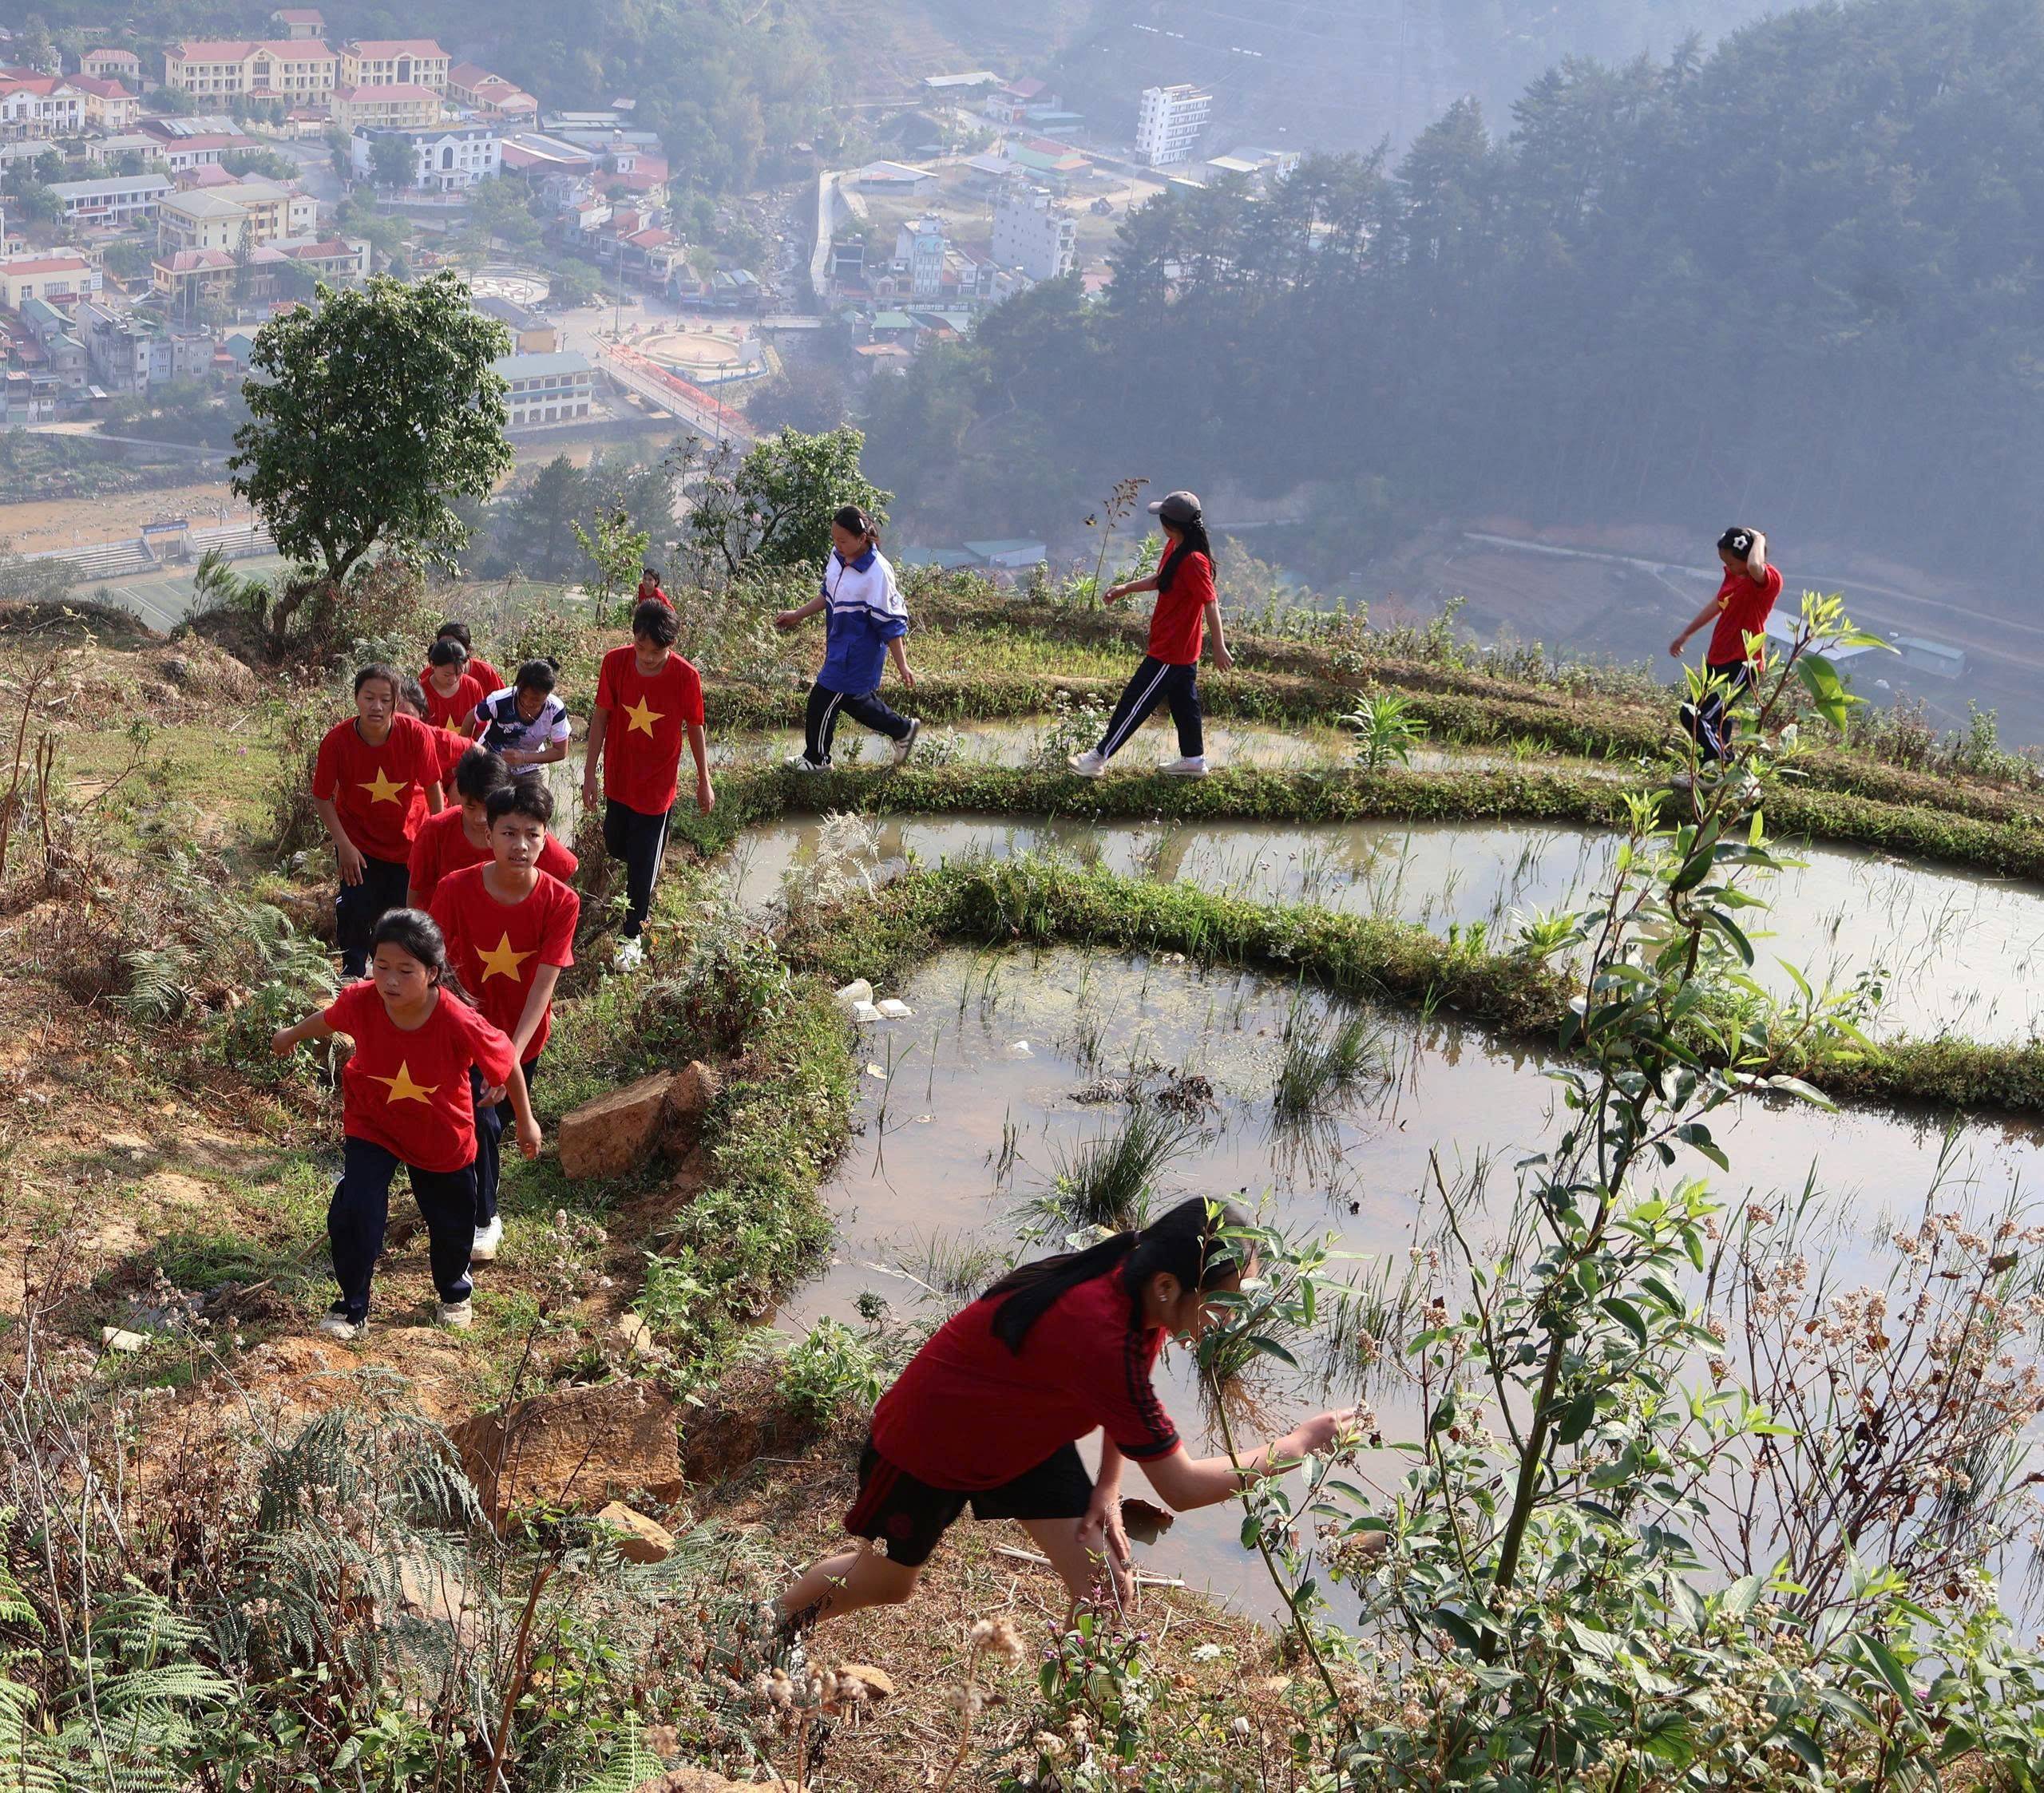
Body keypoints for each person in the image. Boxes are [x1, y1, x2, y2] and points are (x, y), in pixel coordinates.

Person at [775, 1197, 1355, 1635]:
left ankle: (1070, 1748)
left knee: (1105, 1595)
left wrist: (1107, 1485)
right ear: (1167, 1286)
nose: (1228, 1319)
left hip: (1022, 1431)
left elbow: (1122, 1398)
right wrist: (1302, 1442)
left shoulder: (1140, 1287)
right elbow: (1181, 1486)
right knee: (891, 1581)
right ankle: (770, 1630)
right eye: (1222, 1302)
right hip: (932, 1441)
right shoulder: (1101, 1332)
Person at [270, 908, 538, 1339]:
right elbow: (330, 1019)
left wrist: (526, 1122)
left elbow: (506, 1061)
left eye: (405, 970)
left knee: (451, 1221)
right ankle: (352, 1307)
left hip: (440, 1135)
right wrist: (290, 1035)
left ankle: (454, 1292)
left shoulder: (456, 1019)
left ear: (433, 973)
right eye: (382, 967)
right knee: (355, 1206)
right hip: (373, 1123)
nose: (390, 980)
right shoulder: (363, 1001)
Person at [430, 779, 578, 1265]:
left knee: (500, 1119)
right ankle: (483, 1218)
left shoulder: (561, 902)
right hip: (465, 1029)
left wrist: (507, 1058)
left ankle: (476, 1185)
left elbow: (544, 987)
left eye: (532, 834)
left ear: (545, 837)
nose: (521, 845)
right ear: (487, 833)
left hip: (523, 1037)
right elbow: (436, 968)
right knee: (483, 1120)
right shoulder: (454, 890)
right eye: (509, 832)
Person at [580, 597, 714, 967]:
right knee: (616, 844)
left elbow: (695, 728)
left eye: (657, 651)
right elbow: (601, 718)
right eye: (642, 647)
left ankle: (632, 935)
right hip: (619, 778)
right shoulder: (615, 662)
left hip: (657, 786)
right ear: (634, 636)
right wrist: (590, 773)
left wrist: (704, 780)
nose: (648, 657)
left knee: (639, 867)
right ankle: (652, 857)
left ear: (671, 646)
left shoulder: (686, 676)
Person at [1070, 489, 1233, 780]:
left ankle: (1097, 758)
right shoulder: (1175, 547)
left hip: (1171, 651)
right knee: (1184, 704)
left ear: (1171, 524)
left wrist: (1219, 646)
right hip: (1177, 649)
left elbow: (1210, 601)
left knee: (1134, 702)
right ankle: (1194, 761)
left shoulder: (1195, 560)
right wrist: (1124, 589)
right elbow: (1162, 579)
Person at [312, 665, 446, 979]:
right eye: (369, 697)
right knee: (355, 906)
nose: (377, 706)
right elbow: (322, 797)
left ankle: (387, 976)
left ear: (396, 702)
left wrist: (436, 840)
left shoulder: (416, 734)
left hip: (409, 841)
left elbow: (432, 789)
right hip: (357, 841)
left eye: (385, 699)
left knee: (399, 916)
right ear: (356, 698)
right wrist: (343, 844)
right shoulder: (337, 741)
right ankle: (352, 973)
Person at [773, 504, 920, 770]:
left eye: (843, 540)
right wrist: (797, 614)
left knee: (822, 698)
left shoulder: (878, 573)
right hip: (839, 644)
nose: (837, 545)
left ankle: (816, 759)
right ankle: (902, 729)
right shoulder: (838, 558)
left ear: (862, 538)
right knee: (854, 700)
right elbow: (827, 595)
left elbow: (890, 623)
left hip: (859, 652)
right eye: (834, 539)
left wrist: (902, 664)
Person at [406, 745, 578, 912]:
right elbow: (416, 890)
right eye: (470, 807)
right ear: (459, 795)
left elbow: (566, 869)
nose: (480, 818)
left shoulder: (521, 830)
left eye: (487, 808)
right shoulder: (436, 829)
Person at [1669, 526, 1783, 770]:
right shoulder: (1735, 577)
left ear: (1748, 556)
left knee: (1695, 716)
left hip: (1742, 661)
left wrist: (1760, 539)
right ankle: (1713, 774)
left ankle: (1723, 762)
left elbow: (1755, 567)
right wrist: (1686, 633)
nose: (1727, 569)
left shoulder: (1767, 582)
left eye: (1731, 563)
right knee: (1717, 719)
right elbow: (1716, 605)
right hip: (1718, 659)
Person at [474, 659, 572, 770]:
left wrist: (524, 757)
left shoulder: (555, 710)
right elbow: (471, 717)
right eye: (523, 695)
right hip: (492, 762)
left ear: (547, 694)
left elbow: (560, 751)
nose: (527, 702)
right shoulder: (499, 700)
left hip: (532, 764)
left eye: (535, 699)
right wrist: (464, 751)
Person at [398, 675, 467, 790]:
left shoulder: (434, 738)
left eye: (407, 715)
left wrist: (461, 786)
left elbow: (478, 752)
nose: (401, 720)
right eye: (394, 714)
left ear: (421, 713)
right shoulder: (370, 738)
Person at [422, 638, 485, 738]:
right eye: (447, 675)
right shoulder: (421, 692)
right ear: (433, 665)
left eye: (459, 673)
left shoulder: (473, 687)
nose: (453, 680)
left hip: (467, 751)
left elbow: (481, 728)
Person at [429, 621, 502, 697]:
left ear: (467, 651)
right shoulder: (430, 675)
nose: (447, 651)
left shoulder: (485, 673)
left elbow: (504, 700)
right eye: (442, 647)